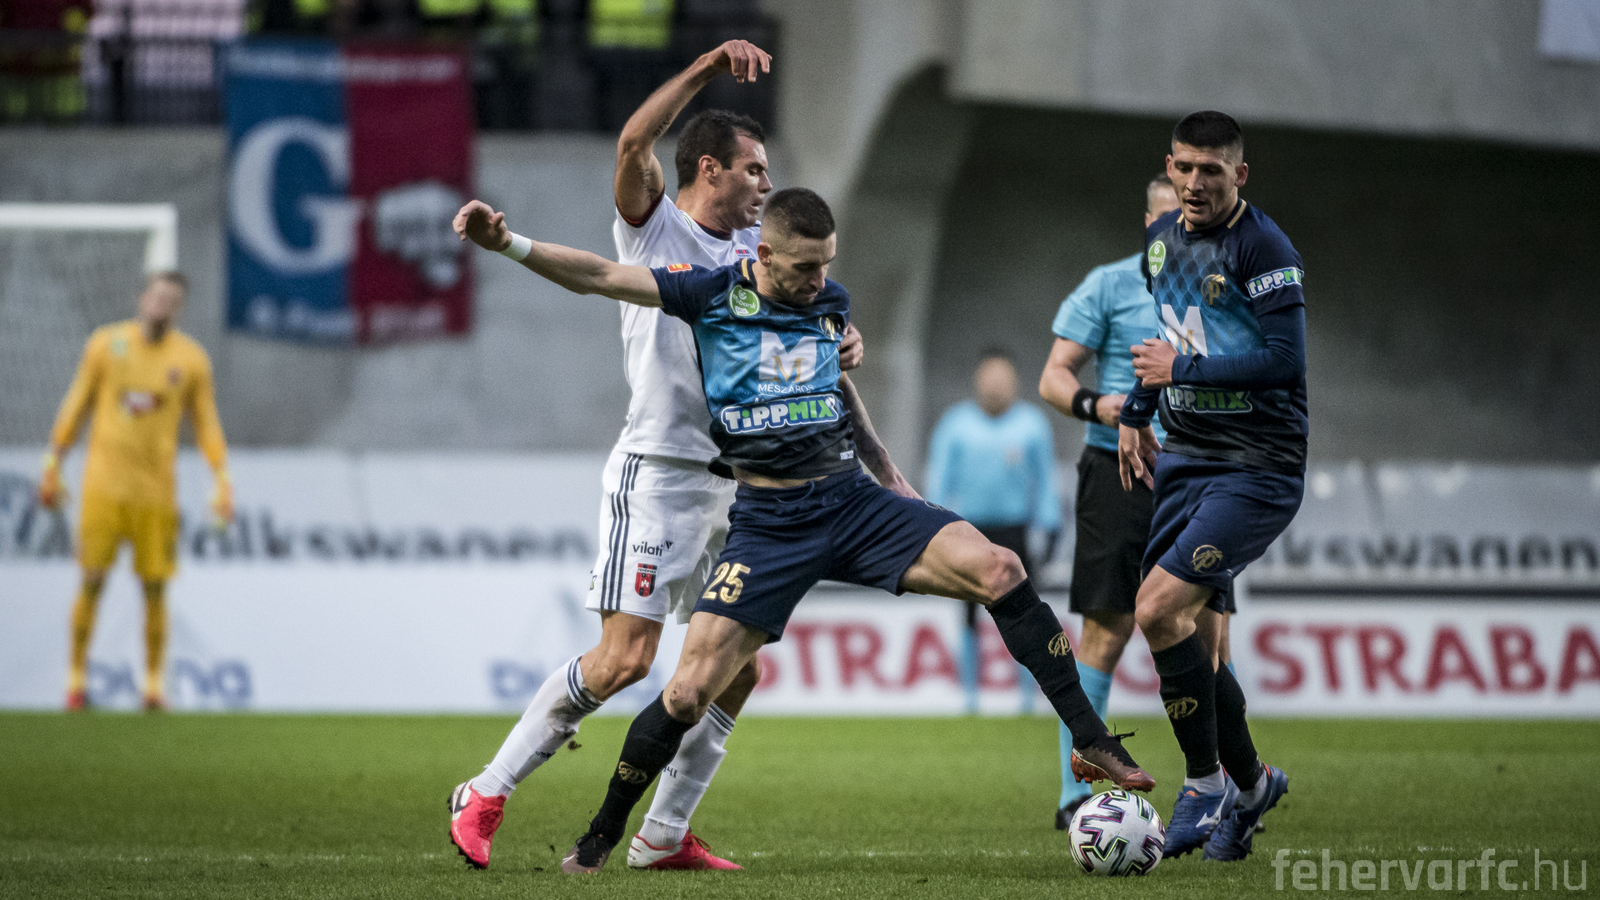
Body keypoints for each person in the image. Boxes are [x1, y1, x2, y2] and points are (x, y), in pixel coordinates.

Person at [453, 185, 1157, 875]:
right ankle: (604, 836)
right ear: (763, 255)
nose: (820, 280)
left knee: (1001, 567)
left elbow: (839, 390)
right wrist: (509, 244)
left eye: (827, 265)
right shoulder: (709, 292)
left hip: (853, 502)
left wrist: (888, 473)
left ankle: (1089, 738)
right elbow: (602, 275)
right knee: (689, 692)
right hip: (769, 525)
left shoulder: (828, 302)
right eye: (805, 267)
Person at [446, 40, 901, 873]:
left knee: (735, 672)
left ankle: (662, 835)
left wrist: (844, 339)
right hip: (661, 473)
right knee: (625, 660)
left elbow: (806, 325)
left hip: (745, 491)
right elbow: (631, 145)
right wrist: (704, 70)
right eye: (754, 169)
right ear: (708, 168)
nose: (766, 183)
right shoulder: (655, 228)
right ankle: (485, 790)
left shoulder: (761, 256)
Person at [1118, 111, 1305, 861]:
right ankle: (1253, 787)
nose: (1196, 183)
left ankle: (1203, 783)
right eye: (1185, 168)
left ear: (1240, 175)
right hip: (1185, 459)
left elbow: (1286, 361)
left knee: (1156, 609)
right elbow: (1171, 337)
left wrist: (1181, 373)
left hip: (1257, 466)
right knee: (1199, 644)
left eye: (1212, 170)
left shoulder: (1264, 247)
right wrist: (1135, 414)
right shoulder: (1162, 242)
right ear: (1171, 166)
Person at [1039, 173, 1179, 828]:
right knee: (1107, 630)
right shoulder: (1110, 285)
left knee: (1209, 636)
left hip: (1201, 473)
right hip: (1116, 472)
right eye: (1166, 217)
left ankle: (1221, 788)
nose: (1177, 229)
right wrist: (1102, 406)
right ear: (1147, 221)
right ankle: (1074, 793)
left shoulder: (1225, 289)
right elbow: (1053, 376)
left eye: (1189, 218)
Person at [38, 271, 232, 712]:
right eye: (158, 296)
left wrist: (222, 478)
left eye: (172, 300)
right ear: (141, 298)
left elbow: (206, 423)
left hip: (156, 493)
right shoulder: (105, 345)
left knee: (156, 588)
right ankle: (75, 681)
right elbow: (77, 404)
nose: (163, 305)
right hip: (103, 487)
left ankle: (153, 686)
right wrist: (53, 463)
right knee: (91, 581)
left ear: (180, 309)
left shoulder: (191, 360)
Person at [926, 349, 1060, 713]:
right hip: (969, 531)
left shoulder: (1032, 425)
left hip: (1016, 532)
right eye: (990, 376)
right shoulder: (956, 424)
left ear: (1014, 382)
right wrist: (932, 524)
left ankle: (1027, 697)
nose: (995, 384)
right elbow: (939, 478)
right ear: (978, 379)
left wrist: (1050, 525)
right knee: (969, 613)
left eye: (1002, 377)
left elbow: (1045, 481)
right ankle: (970, 695)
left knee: (1025, 615)